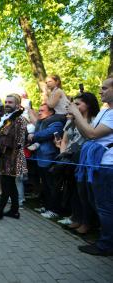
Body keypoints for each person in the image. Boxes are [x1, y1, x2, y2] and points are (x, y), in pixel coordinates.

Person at [68, 77, 113, 256]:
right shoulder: (105, 111)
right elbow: (86, 133)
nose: (100, 91)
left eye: (104, 88)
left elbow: (92, 134)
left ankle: (106, 245)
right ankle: (105, 239)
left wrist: (76, 113)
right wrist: (75, 116)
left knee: (105, 207)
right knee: (99, 204)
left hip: (107, 166)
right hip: (99, 164)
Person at [55, 92, 99, 233]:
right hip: (69, 160)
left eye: (78, 104)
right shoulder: (70, 120)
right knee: (72, 190)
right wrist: (62, 155)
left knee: (83, 192)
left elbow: (92, 138)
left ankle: (88, 223)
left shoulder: (95, 121)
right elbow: (65, 140)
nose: (74, 106)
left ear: (89, 105)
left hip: (85, 160)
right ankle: (77, 218)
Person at [0, 94, 27, 222]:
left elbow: (17, 141)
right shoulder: (8, 119)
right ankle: (14, 211)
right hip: (4, 155)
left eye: (10, 102)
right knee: (10, 184)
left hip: (13, 157)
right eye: (6, 102)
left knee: (6, 185)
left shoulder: (20, 120)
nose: (7, 104)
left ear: (17, 105)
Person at [28, 104, 64, 219]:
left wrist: (33, 136)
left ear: (51, 112)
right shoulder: (41, 122)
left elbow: (46, 134)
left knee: (52, 185)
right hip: (40, 158)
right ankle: (46, 206)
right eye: (38, 110)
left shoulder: (56, 123)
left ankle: (54, 210)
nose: (39, 112)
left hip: (49, 158)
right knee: (45, 184)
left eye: (42, 110)